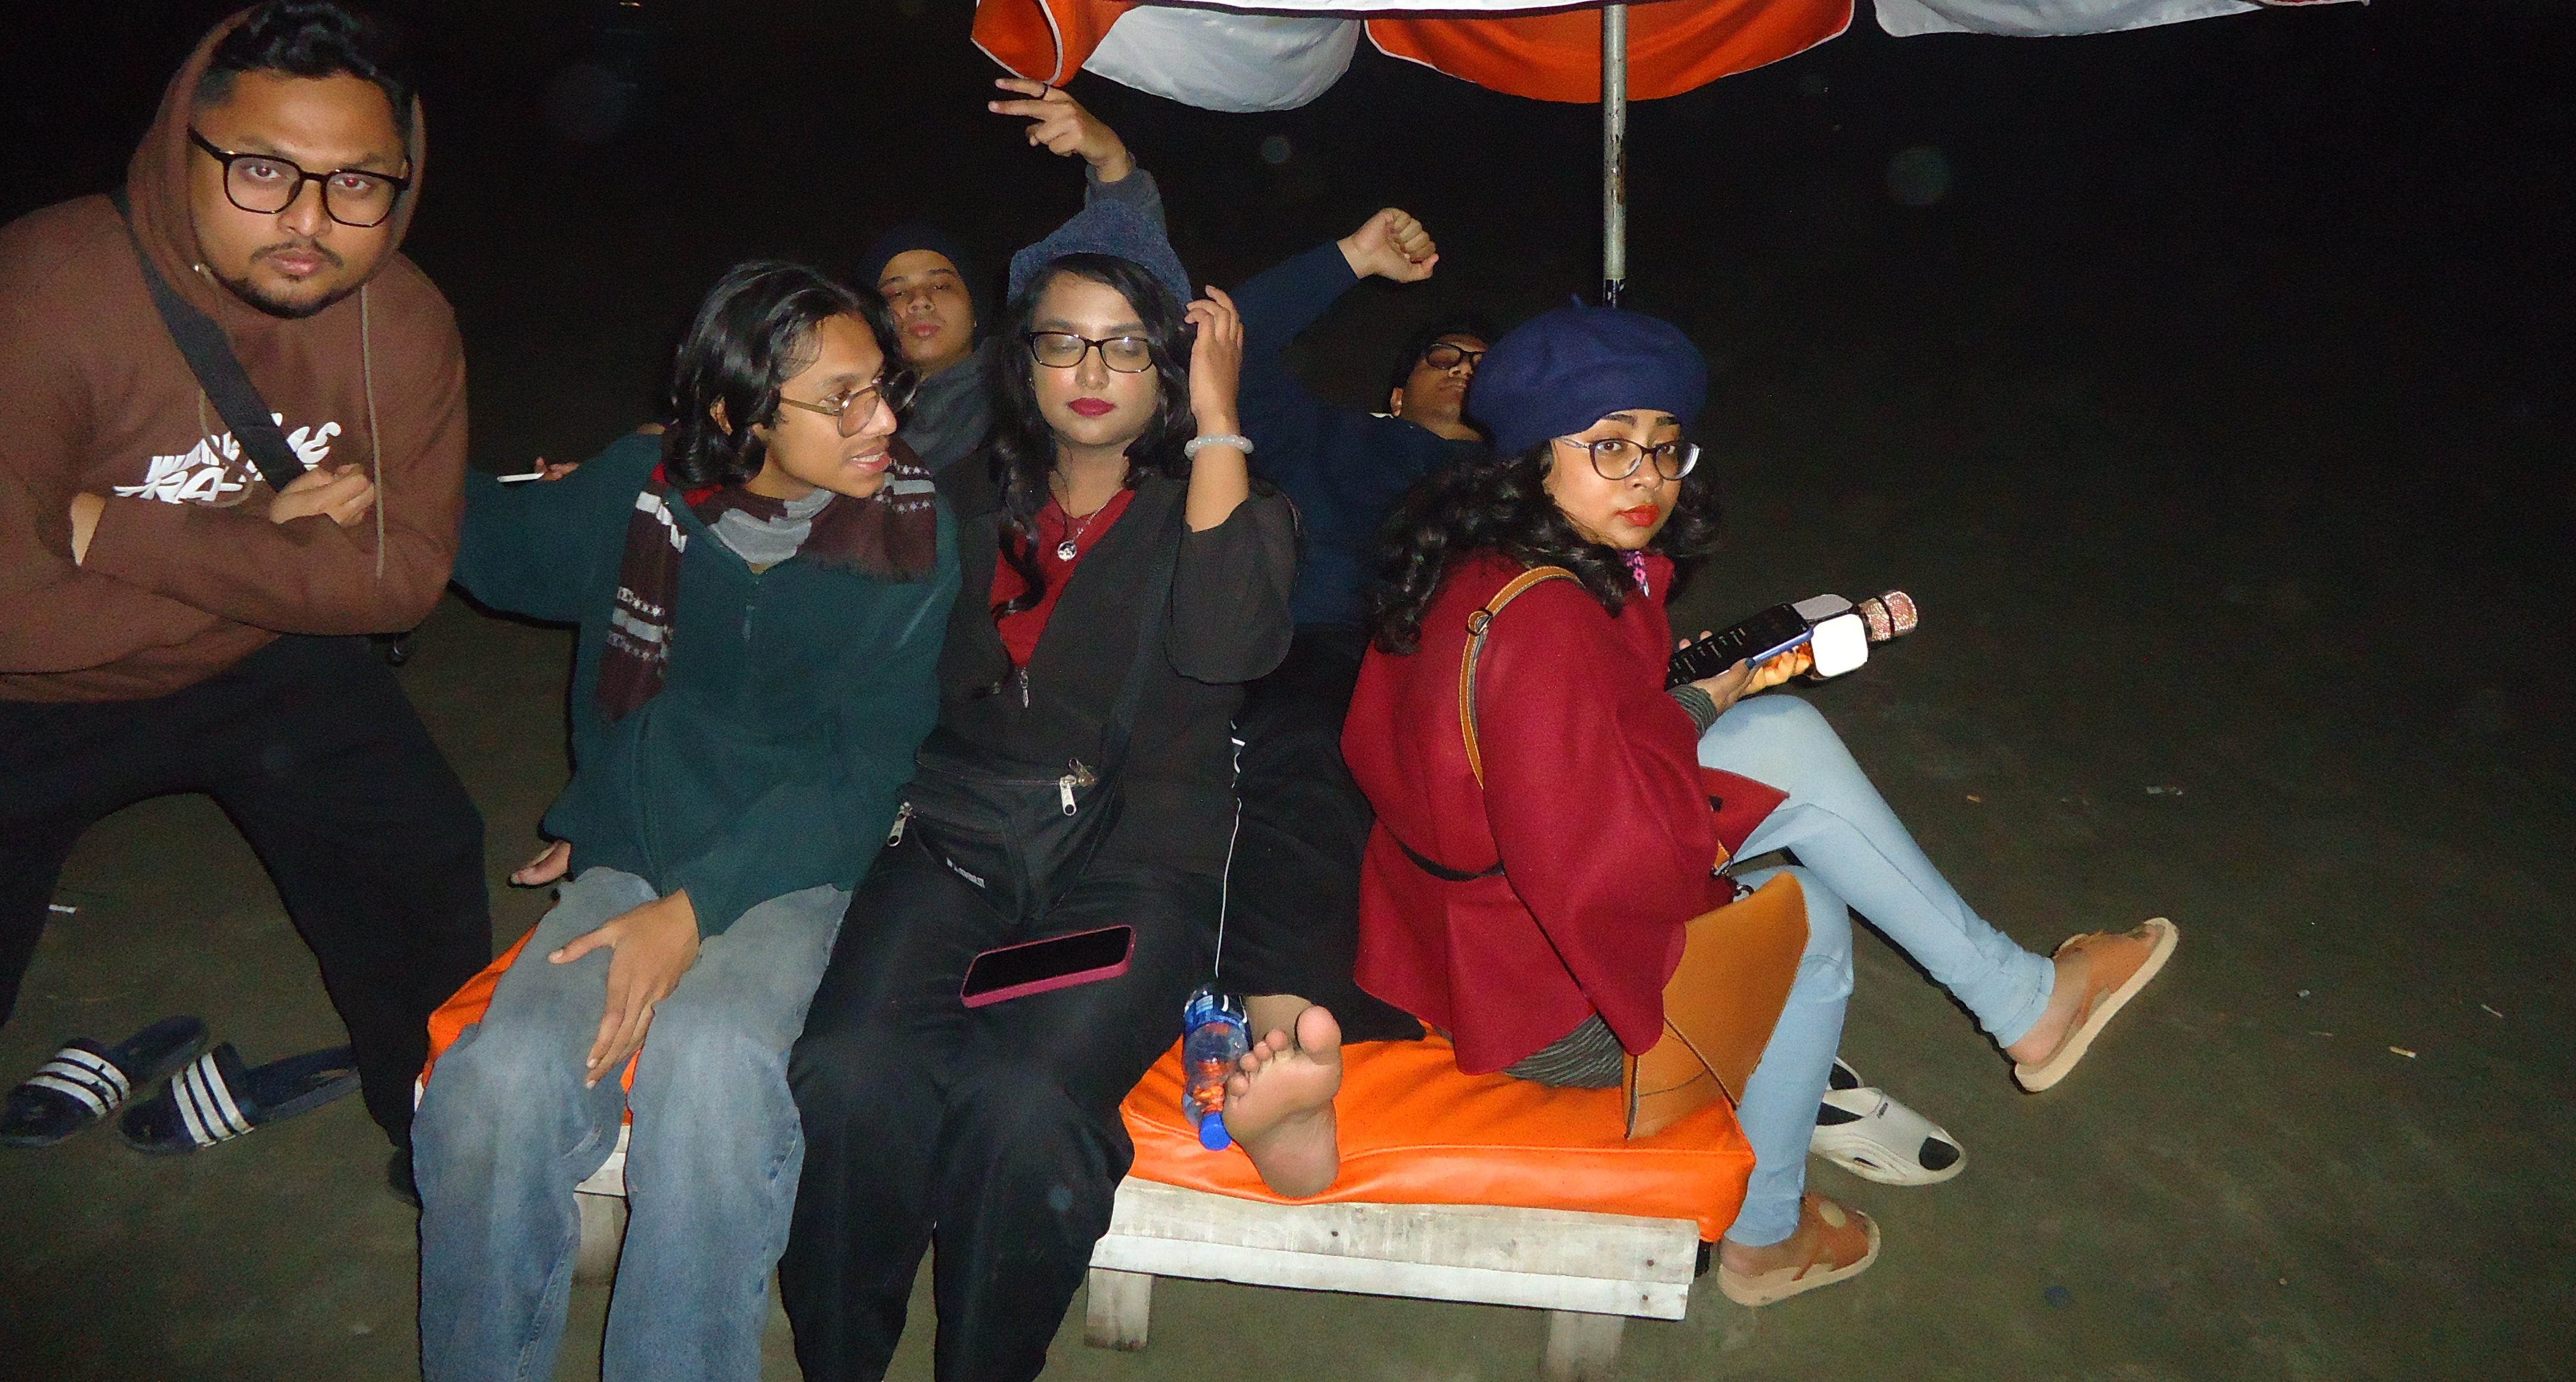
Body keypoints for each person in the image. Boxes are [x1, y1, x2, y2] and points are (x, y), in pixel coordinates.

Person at [1340, 302, 2178, 1306]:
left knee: (1780, 745)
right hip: (1538, 996)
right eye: (1609, 446)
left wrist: (1687, 696)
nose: (1646, 477)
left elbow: (1543, 752)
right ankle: (1770, 1229)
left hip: (1442, 927)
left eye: (1664, 447)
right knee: (1803, 912)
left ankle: (2019, 1008)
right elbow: (1601, 874)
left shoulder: (1484, 558)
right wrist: (1705, 771)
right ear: (1530, 459)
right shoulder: (1546, 620)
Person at [414, 261, 958, 1382]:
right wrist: (372, 486)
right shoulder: (644, 494)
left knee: (713, 1067)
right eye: (843, 398)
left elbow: (869, 772)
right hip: (638, 847)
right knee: (496, 1084)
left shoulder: (914, 537)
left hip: (800, 869)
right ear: (737, 412)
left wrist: (696, 911)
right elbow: (499, 544)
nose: (884, 421)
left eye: (884, 386)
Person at [781, 201, 1296, 1382]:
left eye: (1128, 345)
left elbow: (1224, 644)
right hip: (959, 850)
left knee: (1022, 1099)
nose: (1094, 372)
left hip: (1124, 878)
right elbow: (822, 634)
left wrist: (1220, 422)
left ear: (1171, 365)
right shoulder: (958, 499)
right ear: (1024, 359)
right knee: (852, 1071)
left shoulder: (1230, 507)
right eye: (1065, 341)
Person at [0, 0, 486, 1186]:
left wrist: (113, 529)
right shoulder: (45, 294)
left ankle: (446, 1135)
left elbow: (402, 582)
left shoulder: (403, 322)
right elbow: (16, 607)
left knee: (420, 851)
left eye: (356, 183)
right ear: (186, 151)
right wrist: (274, 546)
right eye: (263, 171)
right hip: (29, 690)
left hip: (257, 664)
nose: (310, 221)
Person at [1203, 205, 1488, 1194]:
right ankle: (1284, 1036)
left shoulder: (1522, 481)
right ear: (1397, 390)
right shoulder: (1332, 442)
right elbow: (1224, 340)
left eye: (1485, 365)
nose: (1466, 371)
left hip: (1469, 667)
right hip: (1333, 648)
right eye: (1445, 358)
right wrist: (1351, 260)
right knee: (1305, 741)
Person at [861, 77, 1162, 472]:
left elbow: (1129, 280)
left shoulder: (1023, 384)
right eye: (896, 292)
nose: (920, 301)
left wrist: (1112, 164)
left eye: (941, 284)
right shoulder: (845, 416)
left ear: (975, 311)